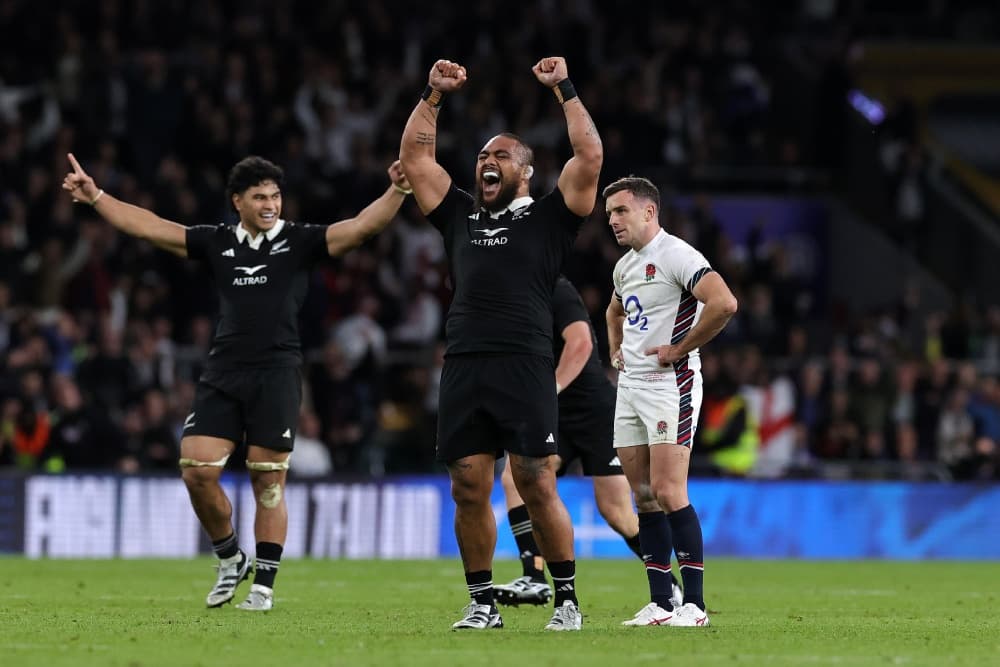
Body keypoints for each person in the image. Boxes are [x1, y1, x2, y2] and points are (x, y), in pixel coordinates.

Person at [62, 152, 411, 611]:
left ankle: (263, 587)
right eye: (259, 196)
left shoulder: (300, 241)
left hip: (277, 373)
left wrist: (398, 191)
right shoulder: (217, 242)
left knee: (267, 482)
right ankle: (230, 555)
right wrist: (97, 197)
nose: (270, 204)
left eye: (275, 195)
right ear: (238, 202)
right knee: (197, 470)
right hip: (223, 371)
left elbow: (362, 227)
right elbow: (150, 226)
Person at [399, 57, 602, 631]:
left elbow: (589, 157)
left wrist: (564, 88)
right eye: (484, 155)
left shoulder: (549, 219)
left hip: (525, 363)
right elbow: (416, 158)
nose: (488, 161)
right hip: (464, 364)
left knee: (537, 481)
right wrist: (433, 95)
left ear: (526, 172)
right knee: (468, 486)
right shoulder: (458, 214)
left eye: (502, 156)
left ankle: (565, 599)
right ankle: (483, 603)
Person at [493, 276, 683, 610]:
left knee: (617, 512)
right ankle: (534, 578)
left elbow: (580, 344)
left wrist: (548, 390)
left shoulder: (554, 287)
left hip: (594, 412)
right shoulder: (511, 297)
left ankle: (669, 583)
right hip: (556, 415)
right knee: (514, 478)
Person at [604, 176, 738, 628]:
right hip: (631, 387)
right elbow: (614, 311)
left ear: (648, 211)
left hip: (670, 384)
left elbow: (723, 303)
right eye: (609, 215)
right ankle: (661, 603)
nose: (613, 221)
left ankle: (695, 607)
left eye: (621, 211)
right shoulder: (625, 267)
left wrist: (679, 350)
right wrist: (614, 348)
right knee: (642, 497)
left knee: (667, 490)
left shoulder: (677, 255)